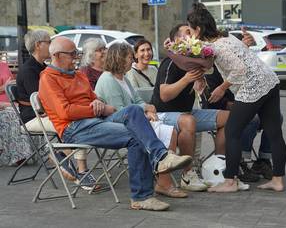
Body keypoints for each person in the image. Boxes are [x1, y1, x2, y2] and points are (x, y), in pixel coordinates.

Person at [38, 36, 192, 211]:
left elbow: (93, 98)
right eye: (72, 53)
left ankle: (160, 157)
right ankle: (143, 195)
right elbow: (65, 112)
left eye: (77, 52)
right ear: (57, 55)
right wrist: (96, 108)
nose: (76, 56)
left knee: (134, 110)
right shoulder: (48, 79)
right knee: (136, 136)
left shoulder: (78, 75)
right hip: (74, 128)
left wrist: (97, 104)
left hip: (96, 120)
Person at [187, 2, 286, 192]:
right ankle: (278, 180)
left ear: (198, 29)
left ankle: (230, 181)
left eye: (191, 31)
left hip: (253, 87)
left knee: (232, 131)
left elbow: (239, 69)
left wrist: (222, 88)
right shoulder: (227, 37)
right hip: (270, 81)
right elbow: (239, 57)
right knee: (275, 133)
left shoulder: (216, 47)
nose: (191, 34)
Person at [95, 42, 188, 198]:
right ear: (119, 59)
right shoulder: (108, 80)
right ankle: (164, 181)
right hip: (115, 123)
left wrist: (148, 108)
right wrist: (144, 114)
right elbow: (120, 111)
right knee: (165, 131)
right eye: (130, 57)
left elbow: (137, 101)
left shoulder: (123, 78)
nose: (132, 61)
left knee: (170, 131)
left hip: (132, 118)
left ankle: (163, 179)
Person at [151, 24, 230, 192]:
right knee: (188, 120)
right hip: (162, 114)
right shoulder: (170, 62)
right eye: (188, 32)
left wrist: (200, 82)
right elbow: (164, 95)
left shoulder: (193, 63)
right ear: (178, 41)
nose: (194, 33)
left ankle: (218, 165)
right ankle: (188, 174)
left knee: (228, 118)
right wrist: (186, 80)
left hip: (187, 113)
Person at [16, 30, 96, 190]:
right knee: (73, 123)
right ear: (38, 45)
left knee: (76, 119)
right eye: (48, 41)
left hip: (48, 115)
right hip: (32, 117)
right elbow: (43, 102)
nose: (52, 45)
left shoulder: (45, 68)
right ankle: (80, 170)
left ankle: (61, 155)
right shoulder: (29, 70)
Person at [0, 61, 33, 166]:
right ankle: (18, 155)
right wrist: (4, 87)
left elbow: (11, 85)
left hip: (11, 103)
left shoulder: (3, 65)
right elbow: (6, 86)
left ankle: (25, 153)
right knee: (14, 116)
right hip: (3, 105)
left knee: (23, 112)